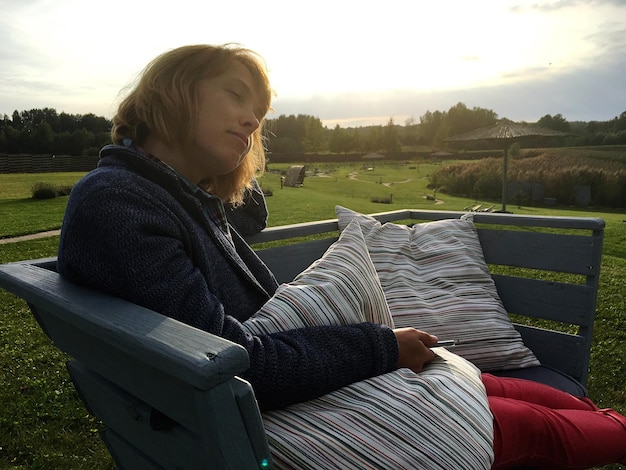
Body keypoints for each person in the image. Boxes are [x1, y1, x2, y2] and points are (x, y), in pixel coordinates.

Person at [57, 44, 625, 469]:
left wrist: (220, 168)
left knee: (519, 392)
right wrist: (379, 345)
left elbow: (244, 213)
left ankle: (601, 417)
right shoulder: (120, 204)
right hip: (286, 411)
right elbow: (238, 363)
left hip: (296, 389)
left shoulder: (169, 198)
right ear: (171, 93)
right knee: (541, 430)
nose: (254, 120)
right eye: (235, 95)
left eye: (259, 111)